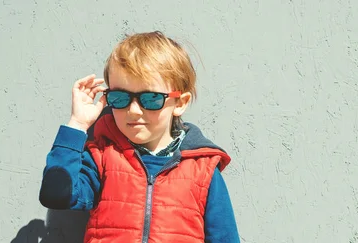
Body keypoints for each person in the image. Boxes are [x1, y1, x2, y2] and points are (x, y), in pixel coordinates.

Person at [38, 31, 240, 243]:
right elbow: (56, 194)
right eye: (120, 97)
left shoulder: (203, 169)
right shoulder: (103, 157)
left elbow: (225, 238)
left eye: (151, 98)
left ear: (179, 103)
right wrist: (78, 124)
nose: (133, 111)